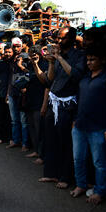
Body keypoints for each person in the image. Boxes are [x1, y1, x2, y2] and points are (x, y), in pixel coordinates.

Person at [39, 27, 87, 189]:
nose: (59, 41)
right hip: (54, 102)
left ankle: (66, 177)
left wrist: (59, 58)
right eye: (58, 38)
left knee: (66, 142)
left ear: (73, 39)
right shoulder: (57, 56)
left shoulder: (79, 56)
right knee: (51, 139)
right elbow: (50, 80)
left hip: (68, 105)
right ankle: (52, 174)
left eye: (63, 38)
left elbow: (76, 75)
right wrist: (52, 63)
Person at [70, 46, 106, 204]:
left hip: (99, 128)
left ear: (103, 60)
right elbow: (78, 100)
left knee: (99, 163)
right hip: (80, 126)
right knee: (78, 158)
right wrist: (75, 120)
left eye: (93, 59)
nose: (89, 62)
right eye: (88, 59)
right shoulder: (85, 78)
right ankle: (80, 185)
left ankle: (100, 191)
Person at [7, 38, 30, 152]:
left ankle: (25, 143)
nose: (16, 48)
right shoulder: (11, 59)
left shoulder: (26, 57)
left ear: (21, 46)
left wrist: (21, 65)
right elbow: (10, 76)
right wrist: (8, 92)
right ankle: (16, 140)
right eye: (14, 46)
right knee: (14, 119)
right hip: (12, 92)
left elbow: (30, 72)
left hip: (22, 93)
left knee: (23, 120)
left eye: (18, 46)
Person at [0, 46, 13, 145]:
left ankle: (10, 138)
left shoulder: (14, 63)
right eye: (6, 52)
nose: (8, 54)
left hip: (10, 94)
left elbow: (11, 80)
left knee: (10, 117)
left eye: (10, 52)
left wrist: (8, 94)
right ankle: (0, 137)